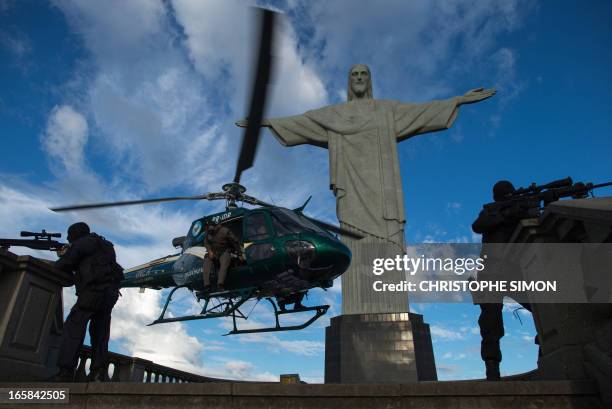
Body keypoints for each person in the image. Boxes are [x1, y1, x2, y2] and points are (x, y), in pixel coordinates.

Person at [237, 64, 495, 316]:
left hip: (383, 194)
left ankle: (391, 307)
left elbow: (422, 111)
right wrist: (265, 122)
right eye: (354, 74)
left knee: (387, 242)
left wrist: (458, 100)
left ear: (369, 80)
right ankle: (359, 307)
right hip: (352, 192)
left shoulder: (386, 110)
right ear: (349, 82)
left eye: (364, 74)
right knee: (355, 244)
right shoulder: (333, 115)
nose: (359, 78)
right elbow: (302, 123)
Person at [472, 181, 533, 380]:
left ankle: (548, 340)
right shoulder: (490, 212)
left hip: (515, 269)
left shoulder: (521, 208)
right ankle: (492, 366)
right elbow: (478, 226)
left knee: (539, 304)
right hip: (491, 270)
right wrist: (506, 215)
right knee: (490, 320)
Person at [53, 222, 123, 382]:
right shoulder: (105, 245)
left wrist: (61, 258)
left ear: (74, 235)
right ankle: (98, 373)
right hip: (109, 294)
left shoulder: (82, 243)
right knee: (100, 333)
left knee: (73, 329)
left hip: (92, 293)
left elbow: (64, 264)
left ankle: (65, 372)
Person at [202, 220, 242, 291]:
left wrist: (239, 254)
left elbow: (235, 241)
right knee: (206, 261)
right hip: (214, 253)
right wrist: (210, 251)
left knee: (224, 263)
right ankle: (207, 285)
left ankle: (220, 284)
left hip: (225, 251)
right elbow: (206, 243)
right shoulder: (208, 234)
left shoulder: (224, 231)